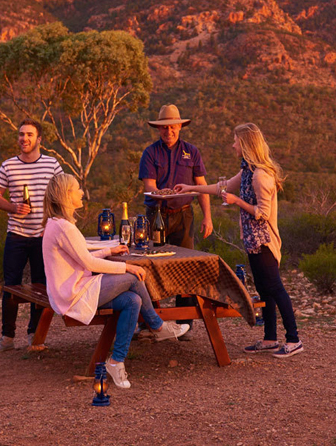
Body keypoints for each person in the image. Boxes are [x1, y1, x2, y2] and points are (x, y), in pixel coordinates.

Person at [41, 173, 189, 388]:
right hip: (73, 295)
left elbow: (81, 256)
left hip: (73, 289)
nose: (81, 192)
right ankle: (158, 326)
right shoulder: (63, 227)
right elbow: (89, 263)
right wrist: (127, 266)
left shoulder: (57, 224)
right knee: (132, 278)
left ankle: (116, 362)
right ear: (66, 195)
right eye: (77, 189)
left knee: (132, 301)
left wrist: (108, 251)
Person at [176, 123, 302, 358]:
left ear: (245, 144)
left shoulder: (260, 175)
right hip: (253, 241)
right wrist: (190, 188)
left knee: (275, 288)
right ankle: (270, 338)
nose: (233, 145)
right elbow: (220, 187)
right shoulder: (247, 172)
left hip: (264, 242)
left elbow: (262, 213)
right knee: (264, 289)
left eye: (235, 141)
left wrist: (237, 202)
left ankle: (294, 339)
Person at [0, 119, 63, 353]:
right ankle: (7, 338)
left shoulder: (52, 164)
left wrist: (54, 224)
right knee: (11, 286)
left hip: (43, 235)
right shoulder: (8, 166)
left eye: (29, 134)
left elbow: (62, 195)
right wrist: (13, 207)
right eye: (21, 134)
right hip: (16, 235)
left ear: (39, 139)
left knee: (41, 287)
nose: (24, 138)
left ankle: (34, 336)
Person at [138, 104, 213, 335]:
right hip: (156, 215)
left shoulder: (192, 152)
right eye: (164, 127)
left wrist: (208, 217)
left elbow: (201, 186)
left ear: (180, 126)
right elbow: (149, 186)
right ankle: (149, 322)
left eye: (172, 126)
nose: (168, 131)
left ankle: (185, 324)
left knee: (186, 266)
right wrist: (162, 193)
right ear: (158, 129)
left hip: (184, 216)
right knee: (149, 266)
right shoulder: (150, 153)